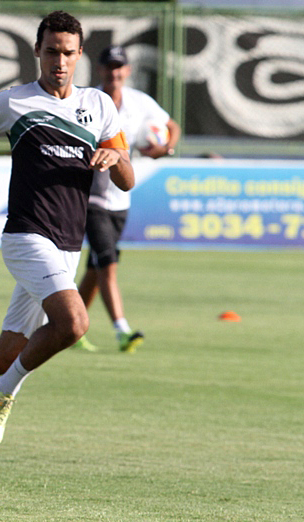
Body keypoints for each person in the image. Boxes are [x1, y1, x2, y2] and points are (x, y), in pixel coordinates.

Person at [0, 11, 134, 467]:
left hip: (68, 248)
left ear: (79, 56)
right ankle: (7, 391)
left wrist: (115, 155)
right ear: (37, 51)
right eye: (51, 51)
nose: (59, 61)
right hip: (26, 237)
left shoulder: (99, 106)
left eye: (68, 53)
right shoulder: (14, 101)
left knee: (5, 354)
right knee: (74, 324)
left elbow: (128, 177)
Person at [74, 45, 181, 353]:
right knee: (107, 263)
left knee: (95, 269)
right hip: (91, 198)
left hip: (121, 199)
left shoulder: (139, 102)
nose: (115, 73)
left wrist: (164, 149)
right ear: (100, 70)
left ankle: (70, 327)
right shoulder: (89, 100)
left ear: (128, 70)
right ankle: (122, 330)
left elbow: (172, 126)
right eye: (109, 67)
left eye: (120, 67)